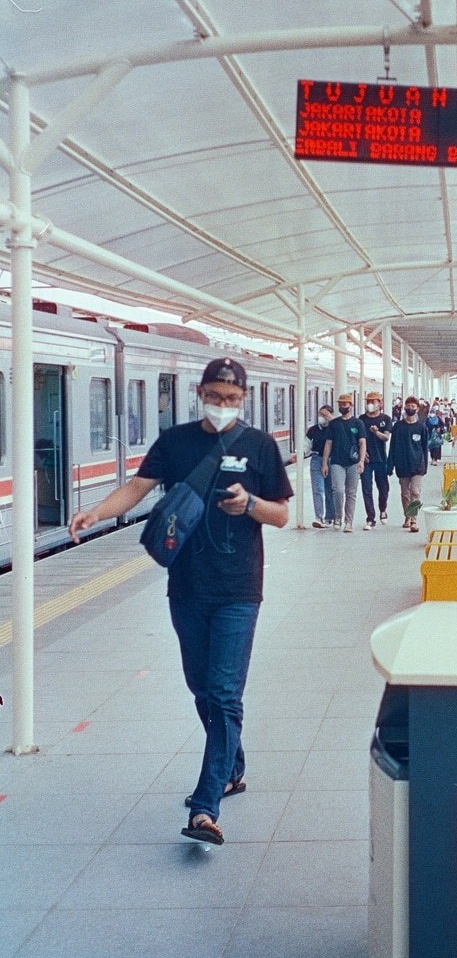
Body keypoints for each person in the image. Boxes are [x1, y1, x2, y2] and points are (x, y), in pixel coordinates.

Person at [68, 357, 292, 846]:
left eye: (232, 399)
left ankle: (206, 806)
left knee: (226, 693)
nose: (223, 405)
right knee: (202, 690)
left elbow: (280, 515)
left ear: (245, 399)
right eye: (215, 396)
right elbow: (136, 488)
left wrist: (249, 505)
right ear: (200, 393)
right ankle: (232, 767)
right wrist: (94, 513)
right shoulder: (175, 443)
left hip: (238, 587)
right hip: (186, 587)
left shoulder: (259, 446)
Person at [322, 393, 366, 532]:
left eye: (345, 404)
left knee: (351, 492)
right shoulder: (334, 424)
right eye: (340, 404)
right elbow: (328, 443)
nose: (342, 406)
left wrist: (361, 461)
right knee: (338, 491)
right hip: (337, 462)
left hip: (353, 462)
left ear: (351, 406)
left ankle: (349, 522)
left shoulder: (358, 423)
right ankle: (338, 516)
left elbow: (362, 443)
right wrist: (324, 463)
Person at [387, 395, 428, 531]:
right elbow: (392, 446)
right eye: (408, 406)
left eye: (413, 406)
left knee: (415, 492)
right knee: (405, 494)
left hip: (417, 466)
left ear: (417, 409)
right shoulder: (398, 427)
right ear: (404, 407)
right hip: (402, 465)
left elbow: (424, 448)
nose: (410, 408)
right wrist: (390, 465)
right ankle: (407, 516)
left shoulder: (421, 427)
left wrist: (425, 466)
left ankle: (414, 520)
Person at [360, 391, 392, 529]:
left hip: (380, 459)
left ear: (380, 403)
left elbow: (386, 437)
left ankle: (383, 509)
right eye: (368, 401)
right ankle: (370, 518)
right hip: (366, 460)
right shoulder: (361, 419)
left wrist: (376, 432)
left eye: (374, 401)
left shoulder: (386, 418)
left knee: (383, 488)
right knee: (367, 488)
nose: (370, 404)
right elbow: (357, 439)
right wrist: (361, 454)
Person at [306, 403, 335, 527]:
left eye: (325, 415)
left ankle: (331, 516)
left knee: (331, 489)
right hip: (316, 459)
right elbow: (306, 446)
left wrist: (333, 422)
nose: (322, 417)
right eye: (320, 414)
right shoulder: (312, 430)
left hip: (332, 460)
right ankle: (319, 517)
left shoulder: (335, 428)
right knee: (318, 489)